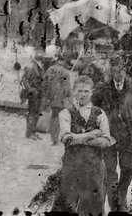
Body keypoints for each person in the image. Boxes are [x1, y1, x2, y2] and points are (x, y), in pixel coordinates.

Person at [93, 52, 132, 212]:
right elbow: (93, 112)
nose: (119, 71)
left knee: (128, 169)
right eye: (115, 68)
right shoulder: (102, 89)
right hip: (108, 137)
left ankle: (121, 195)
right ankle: (115, 204)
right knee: (110, 171)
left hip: (127, 137)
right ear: (111, 69)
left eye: (122, 68)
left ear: (125, 70)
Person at [56, 73, 114, 216]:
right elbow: (66, 139)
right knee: (66, 206)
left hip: (94, 168)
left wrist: (78, 137)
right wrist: (92, 134)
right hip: (71, 167)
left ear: (92, 93)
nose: (83, 95)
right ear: (73, 92)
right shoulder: (65, 113)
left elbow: (106, 141)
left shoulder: (100, 113)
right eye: (79, 91)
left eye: (86, 91)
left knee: (93, 209)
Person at [43, 56, 74, 146]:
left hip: (51, 97)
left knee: (54, 117)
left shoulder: (50, 70)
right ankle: (57, 138)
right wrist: (70, 99)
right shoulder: (65, 72)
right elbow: (67, 88)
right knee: (59, 118)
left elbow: (44, 82)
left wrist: (46, 95)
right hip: (61, 99)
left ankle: (54, 138)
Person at [19, 56, 46, 140]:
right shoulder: (31, 67)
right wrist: (31, 90)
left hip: (38, 94)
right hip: (33, 95)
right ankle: (29, 133)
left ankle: (33, 132)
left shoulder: (40, 67)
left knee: (36, 113)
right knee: (32, 113)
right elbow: (24, 80)